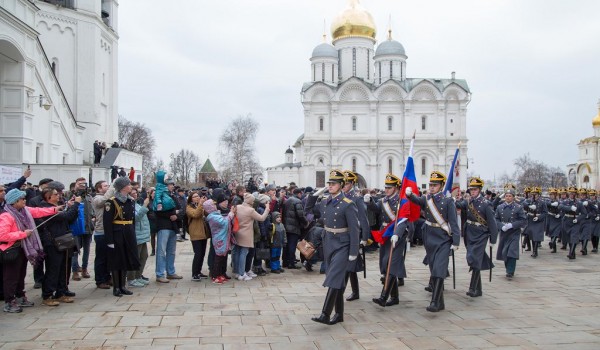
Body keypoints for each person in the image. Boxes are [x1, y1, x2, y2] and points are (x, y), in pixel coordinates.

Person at [405, 171, 460, 312]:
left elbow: (453, 223)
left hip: (443, 239)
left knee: (439, 269)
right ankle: (440, 302)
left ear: (441, 186)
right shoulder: (427, 198)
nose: (432, 187)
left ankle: (435, 301)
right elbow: (417, 201)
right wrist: (410, 195)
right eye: (430, 185)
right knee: (433, 268)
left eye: (435, 185)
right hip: (430, 238)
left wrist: (456, 241)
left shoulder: (448, 201)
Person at [311, 169, 359, 325]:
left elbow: (354, 229)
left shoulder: (348, 204)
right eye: (329, 184)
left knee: (333, 277)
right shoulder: (325, 202)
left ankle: (325, 313)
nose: (330, 186)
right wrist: (315, 195)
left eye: (334, 184)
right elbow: (309, 211)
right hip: (329, 242)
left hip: (343, 244)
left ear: (341, 185)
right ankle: (339, 314)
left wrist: (353, 251)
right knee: (337, 279)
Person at [0, 189, 59, 313]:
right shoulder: (6, 216)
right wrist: (22, 234)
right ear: (15, 201)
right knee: (11, 277)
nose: (24, 201)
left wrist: (55, 209)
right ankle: (9, 301)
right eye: (22, 199)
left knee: (21, 275)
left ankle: (20, 296)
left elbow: (38, 212)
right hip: (11, 250)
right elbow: (2, 235)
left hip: (22, 248)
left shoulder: (24, 211)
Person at [366, 173, 408, 307]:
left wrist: (397, 233)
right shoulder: (383, 200)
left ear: (396, 188)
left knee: (390, 262)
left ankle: (383, 297)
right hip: (385, 234)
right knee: (385, 264)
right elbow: (377, 209)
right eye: (386, 187)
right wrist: (370, 202)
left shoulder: (402, 201)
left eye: (389, 187)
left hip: (397, 235)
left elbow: (403, 220)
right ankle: (394, 297)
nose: (387, 189)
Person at [455, 177, 498, 298]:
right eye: (471, 190)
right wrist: (451, 198)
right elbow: (459, 204)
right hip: (469, 233)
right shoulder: (468, 201)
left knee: (474, 258)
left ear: (479, 190)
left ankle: (472, 288)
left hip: (481, 234)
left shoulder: (486, 204)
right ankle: (478, 290)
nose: (472, 192)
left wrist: (493, 239)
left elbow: (492, 223)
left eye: (475, 190)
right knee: (474, 259)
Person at [38, 187, 81, 306]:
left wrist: (71, 206)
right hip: (52, 243)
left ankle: (61, 292)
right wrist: (76, 204)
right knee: (53, 269)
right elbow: (66, 217)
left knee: (63, 268)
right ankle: (47, 295)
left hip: (63, 240)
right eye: (56, 194)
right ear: (48, 197)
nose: (59, 196)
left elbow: (70, 218)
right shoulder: (46, 208)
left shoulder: (58, 206)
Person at [103, 177, 140, 297]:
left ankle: (123, 286)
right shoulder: (111, 202)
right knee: (116, 260)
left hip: (128, 232)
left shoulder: (130, 201)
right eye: (128, 184)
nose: (131, 186)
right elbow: (107, 222)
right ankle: (116, 287)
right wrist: (109, 240)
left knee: (125, 259)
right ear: (123, 187)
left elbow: (132, 220)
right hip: (117, 232)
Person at [340, 170, 370, 302]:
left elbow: (364, 219)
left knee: (349, 265)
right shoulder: (340, 197)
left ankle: (338, 291)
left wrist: (364, 238)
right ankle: (355, 291)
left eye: (346, 184)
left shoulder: (357, 198)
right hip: (343, 236)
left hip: (354, 236)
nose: (344, 186)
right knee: (349, 266)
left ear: (352, 183)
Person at [234, 193, 270, 281]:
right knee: (244, 253)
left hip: (237, 232)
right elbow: (261, 218)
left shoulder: (238, 207)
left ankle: (238, 272)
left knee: (238, 253)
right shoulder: (250, 210)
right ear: (251, 201)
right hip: (246, 234)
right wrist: (267, 209)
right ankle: (242, 274)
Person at [495, 186, 527, 278]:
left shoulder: (518, 207)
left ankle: (510, 270)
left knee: (512, 251)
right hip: (504, 232)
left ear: (513, 197)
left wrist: (512, 225)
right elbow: (495, 219)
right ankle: (508, 268)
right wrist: (501, 226)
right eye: (506, 196)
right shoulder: (500, 207)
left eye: (510, 196)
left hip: (514, 232)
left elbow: (523, 220)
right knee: (505, 251)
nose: (508, 197)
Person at [204, 198, 235, 284]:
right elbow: (224, 222)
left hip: (223, 238)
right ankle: (215, 276)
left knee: (222, 257)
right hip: (219, 239)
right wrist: (231, 213)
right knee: (218, 258)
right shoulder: (212, 216)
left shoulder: (216, 214)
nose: (215, 206)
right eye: (213, 205)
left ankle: (220, 274)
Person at [91, 180, 114, 289]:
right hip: (101, 232)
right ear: (99, 189)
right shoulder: (97, 198)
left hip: (109, 231)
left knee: (109, 257)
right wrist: (113, 187)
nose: (108, 187)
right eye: (106, 186)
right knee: (101, 258)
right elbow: (103, 201)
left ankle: (107, 276)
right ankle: (99, 280)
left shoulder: (109, 197)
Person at [126, 188, 151, 288]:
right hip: (136, 235)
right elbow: (136, 218)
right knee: (134, 258)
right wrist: (145, 206)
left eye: (136, 193)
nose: (135, 195)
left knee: (143, 256)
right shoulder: (129, 204)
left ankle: (138, 276)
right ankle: (131, 278)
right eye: (132, 193)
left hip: (142, 235)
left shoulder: (136, 203)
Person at [71, 177, 94, 281]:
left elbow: (92, 210)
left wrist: (94, 218)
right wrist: (76, 190)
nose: (82, 186)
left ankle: (84, 269)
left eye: (84, 184)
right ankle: (75, 270)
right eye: (80, 184)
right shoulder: (71, 196)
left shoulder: (89, 197)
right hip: (76, 227)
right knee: (75, 250)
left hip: (88, 227)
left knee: (87, 250)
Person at [186, 191, 209, 281]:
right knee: (198, 253)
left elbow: (206, 214)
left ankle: (198, 271)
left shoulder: (200, 205)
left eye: (198, 196)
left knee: (202, 254)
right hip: (195, 233)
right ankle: (194, 273)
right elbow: (195, 214)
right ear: (191, 199)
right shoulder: (188, 207)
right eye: (195, 196)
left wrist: (205, 204)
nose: (197, 198)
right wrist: (200, 204)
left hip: (203, 233)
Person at [559, 187, 587, 260]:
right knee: (569, 238)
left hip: (575, 222)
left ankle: (571, 253)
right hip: (567, 221)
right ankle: (573, 253)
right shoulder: (566, 202)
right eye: (571, 193)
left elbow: (584, 214)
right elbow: (560, 206)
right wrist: (570, 208)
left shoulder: (579, 203)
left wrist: (577, 219)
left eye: (573, 193)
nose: (572, 195)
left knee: (574, 237)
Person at [522, 186, 548, 258]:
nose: (533, 196)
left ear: (538, 195)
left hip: (538, 220)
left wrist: (538, 217)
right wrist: (529, 206)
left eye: (535, 194)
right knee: (532, 236)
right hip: (531, 220)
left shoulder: (542, 202)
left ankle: (535, 251)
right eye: (532, 194)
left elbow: (545, 213)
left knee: (536, 236)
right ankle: (534, 250)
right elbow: (523, 203)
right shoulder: (529, 201)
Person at [546, 188, 563, 253]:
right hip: (550, 218)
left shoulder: (559, 202)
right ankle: (554, 247)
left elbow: (562, 210)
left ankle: (552, 242)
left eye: (553, 194)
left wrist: (559, 214)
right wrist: (551, 204)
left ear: (556, 195)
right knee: (551, 232)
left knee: (555, 232)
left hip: (557, 219)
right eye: (550, 194)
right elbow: (546, 204)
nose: (551, 196)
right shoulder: (548, 201)